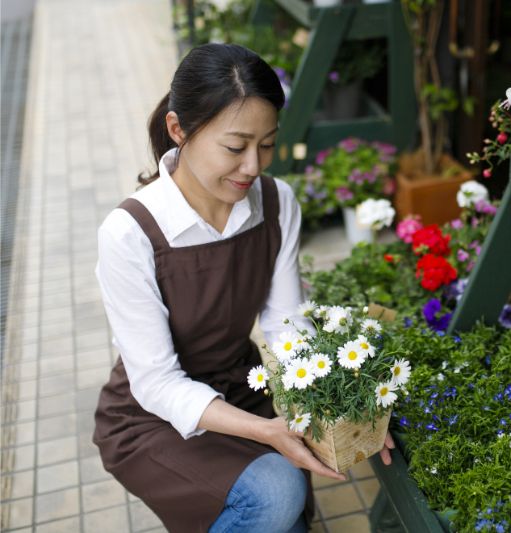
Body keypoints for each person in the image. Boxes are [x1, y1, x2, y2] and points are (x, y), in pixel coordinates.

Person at [92, 43, 394, 533]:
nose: (253, 167)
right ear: (179, 130)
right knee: (278, 493)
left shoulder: (276, 203)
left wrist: (348, 410)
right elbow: (156, 383)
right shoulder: (131, 232)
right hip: (154, 417)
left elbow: (284, 326)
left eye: (267, 144)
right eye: (235, 147)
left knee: (282, 516)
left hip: (243, 389)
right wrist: (269, 431)